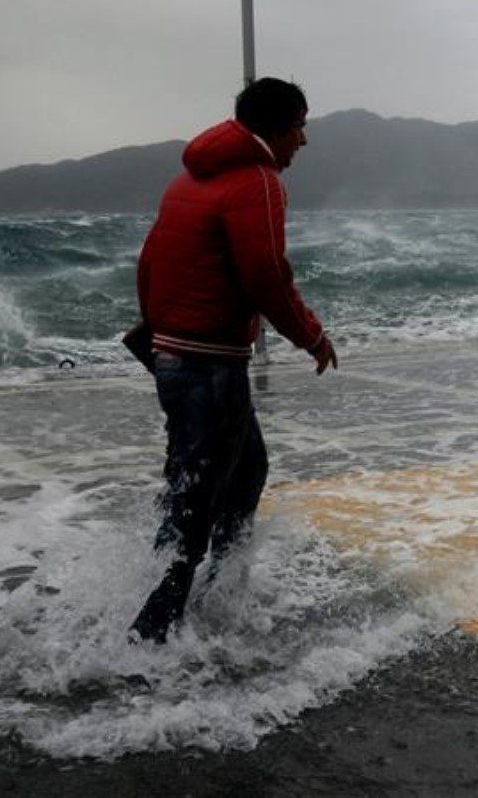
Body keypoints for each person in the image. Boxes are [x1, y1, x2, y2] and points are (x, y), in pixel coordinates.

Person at [128, 77, 337, 643]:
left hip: (176, 355)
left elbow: (149, 260)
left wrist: (161, 329)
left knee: (235, 474)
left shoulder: (188, 178)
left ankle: (218, 596)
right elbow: (266, 274)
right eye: (301, 127)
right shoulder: (257, 181)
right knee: (199, 499)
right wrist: (312, 337)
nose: (304, 141)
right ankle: (151, 634)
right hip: (209, 365)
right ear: (279, 126)